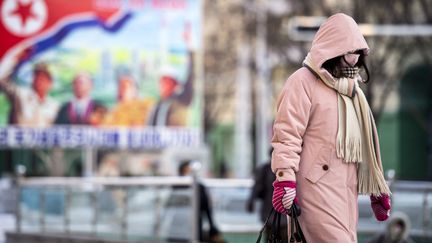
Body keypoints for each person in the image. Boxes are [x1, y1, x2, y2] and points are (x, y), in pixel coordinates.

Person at [270, 13, 391, 242]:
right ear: (331, 49)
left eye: (358, 53)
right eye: (348, 52)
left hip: (346, 189)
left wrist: (378, 188)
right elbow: (286, 135)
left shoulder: (353, 91)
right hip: (314, 187)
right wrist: (285, 179)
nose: (354, 59)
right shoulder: (302, 82)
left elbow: (368, 143)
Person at [166, 160, 224, 243]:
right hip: (181, 225)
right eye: (187, 170)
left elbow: (206, 207)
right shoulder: (179, 185)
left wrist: (212, 225)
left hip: (191, 224)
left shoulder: (197, 186)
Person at [246, 150, 287, 242]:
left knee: (284, 237)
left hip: (284, 215)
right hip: (270, 214)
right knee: (271, 238)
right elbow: (257, 187)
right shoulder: (264, 169)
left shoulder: (287, 169)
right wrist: (251, 201)